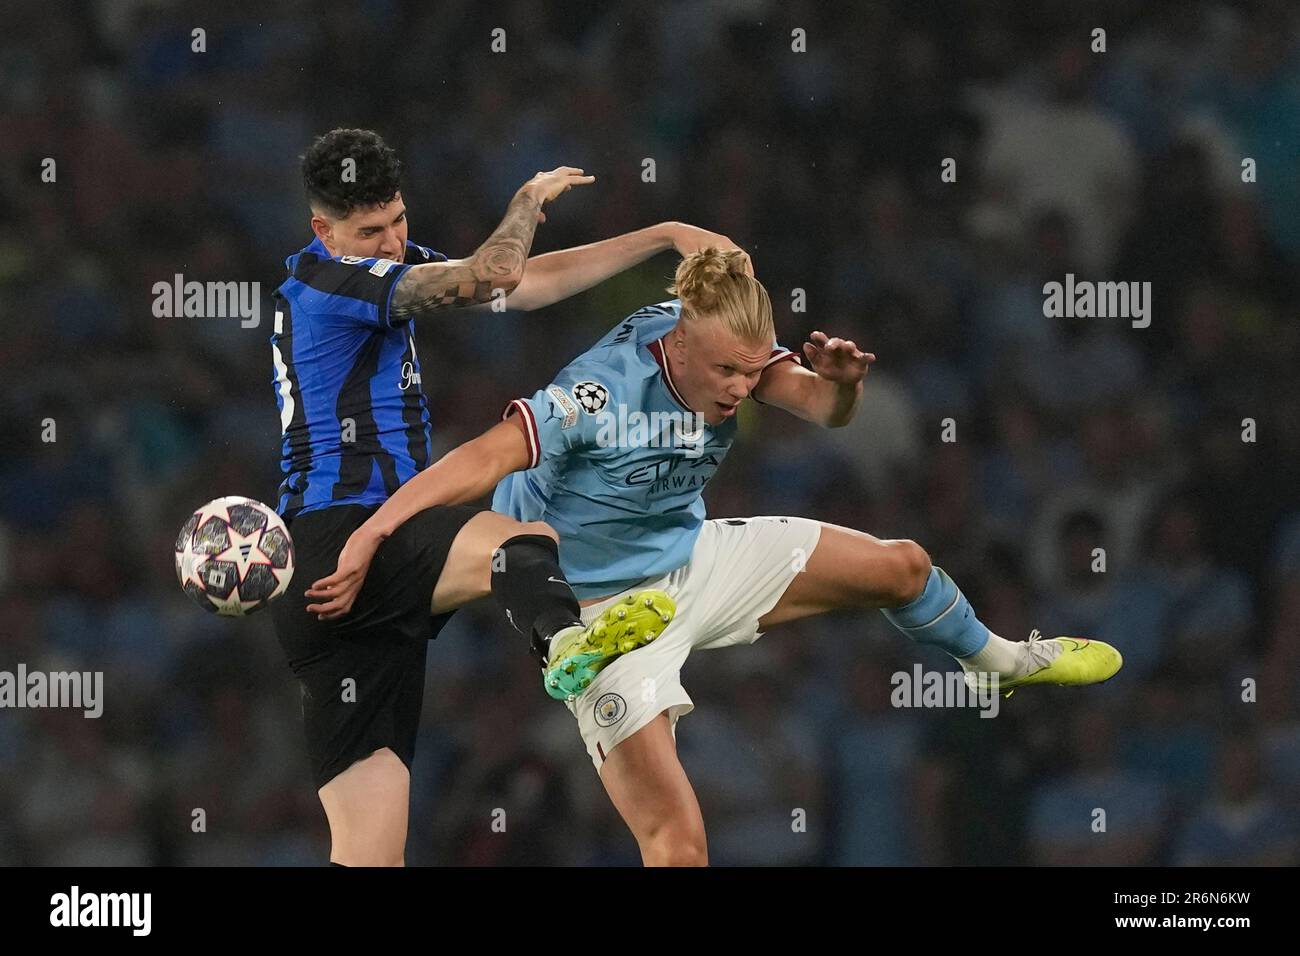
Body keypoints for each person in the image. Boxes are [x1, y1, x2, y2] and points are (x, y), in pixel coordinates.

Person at [305, 247, 1123, 866]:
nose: (740, 389)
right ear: (679, 346)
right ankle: (574, 655)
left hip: (695, 560)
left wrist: (839, 385)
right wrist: (375, 530)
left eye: (751, 368)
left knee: (903, 566)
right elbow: (479, 461)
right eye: (726, 371)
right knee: (678, 846)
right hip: (603, 621)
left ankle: (1004, 662)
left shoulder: (739, 354)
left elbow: (824, 410)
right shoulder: (599, 393)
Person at [272, 128, 744, 866]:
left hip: (330, 585)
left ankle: (563, 640)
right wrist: (526, 198)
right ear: (322, 232)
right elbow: (495, 273)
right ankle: (567, 647)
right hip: (345, 535)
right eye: (371, 231)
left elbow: (530, 283)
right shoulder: (331, 287)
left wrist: (659, 236)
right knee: (523, 542)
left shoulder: (369, 272)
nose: (394, 241)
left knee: (368, 854)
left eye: (399, 220)